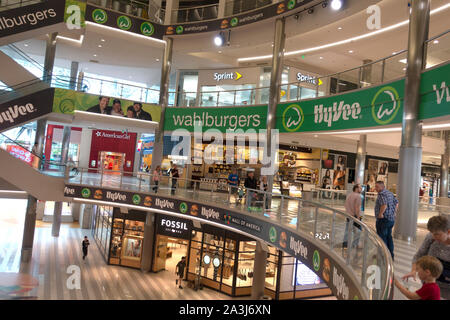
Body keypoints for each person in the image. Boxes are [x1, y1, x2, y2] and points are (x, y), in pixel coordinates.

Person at [402, 215, 450, 299]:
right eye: (432, 234)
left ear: (448, 232)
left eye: (437, 234)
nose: (434, 237)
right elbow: (419, 255)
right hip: (430, 282)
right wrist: (413, 270)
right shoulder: (430, 237)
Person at [374, 181, 398, 259]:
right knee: (388, 237)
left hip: (383, 220)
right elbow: (396, 203)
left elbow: (384, 204)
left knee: (382, 238)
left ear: (382, 186)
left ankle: (383, 256)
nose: (376, 188)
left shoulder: (382, 194)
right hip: (391, 219)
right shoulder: (390, 193)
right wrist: (394, 213)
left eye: (377, 187)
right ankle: (390, 256)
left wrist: (380, 214)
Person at [343, 184, 362, 249]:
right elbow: (357, 208)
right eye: (360, 188)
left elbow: (345, 205)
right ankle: (355, 244)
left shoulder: (349, 195)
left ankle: (345, 244)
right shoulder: (358, 196)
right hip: (354, 216)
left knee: (347, 230)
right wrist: (359, 218)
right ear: (356, 188)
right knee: (358, 231)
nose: (361, 189)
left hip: (348, 215)